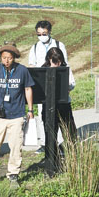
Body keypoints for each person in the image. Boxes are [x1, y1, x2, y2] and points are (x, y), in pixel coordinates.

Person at [0, 43, 35, 186]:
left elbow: (28, 89)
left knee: (16, 146)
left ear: (15, 58)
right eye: (4, 57)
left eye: (10, 58)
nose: (6, 60)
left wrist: (30, 110)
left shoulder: (22, 71)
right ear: (0, 57)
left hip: (17, 115)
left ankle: (13, 174)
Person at [37, 47, 77, 175]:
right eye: (54, 61)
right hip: (48, 106)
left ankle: (73, 159)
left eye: (59, 61)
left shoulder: (66, 68)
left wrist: (66, 87)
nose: (57, 64)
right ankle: (52, 162)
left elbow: (72, 83)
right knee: (50, 134)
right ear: (49, 59)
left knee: (70, 132)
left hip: (64, 105)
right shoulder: (43, 69)